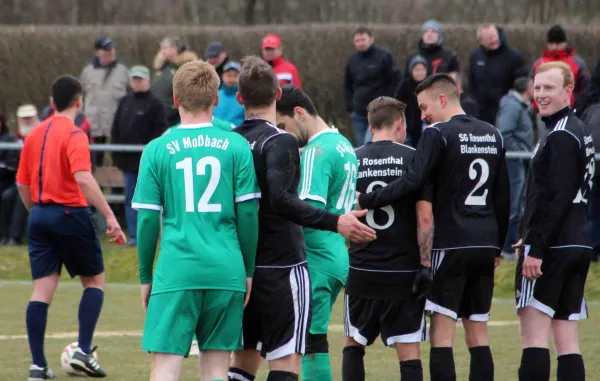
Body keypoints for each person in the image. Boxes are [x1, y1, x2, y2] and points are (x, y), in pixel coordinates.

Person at [227, 56, 376, 381]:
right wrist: (337, 221)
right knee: (294, 354)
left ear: (239, 97)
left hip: (244, 264)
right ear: (277, 93)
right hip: (289, 264)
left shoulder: (229, 141)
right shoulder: (337, 145)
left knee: (244, 356)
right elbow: (288, 202)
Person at [357, 74, 510, 381]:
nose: (422, 115)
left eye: (425, 107)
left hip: (450, 244)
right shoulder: (493, 133)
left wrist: (369, 199)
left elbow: (412, 181)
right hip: (485, 243)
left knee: (442, 336)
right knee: (478, 334)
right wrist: (497, 245)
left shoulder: (437, 134)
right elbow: (503, 196)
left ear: (442, 100)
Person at [133, 60, 260, 381]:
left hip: (177, 270)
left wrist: (146, 275)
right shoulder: (237, 145)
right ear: (216, 99)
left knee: (165, 366)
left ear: (175, 100)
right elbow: (248, 214)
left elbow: (147, 221)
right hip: (226, 268)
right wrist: (247, 271)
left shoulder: (156, 149)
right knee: (217, 368)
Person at [16, 75, 126, 380]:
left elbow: (22, 183)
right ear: (79, 101)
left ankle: (38, 366)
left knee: (41, 291)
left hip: (39, 216)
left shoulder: (34, 134)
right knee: (94, 282)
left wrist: (37, 213)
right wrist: (110, 216)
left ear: (52, 102)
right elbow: (83, 177)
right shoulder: (75, 134)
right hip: (70, 214)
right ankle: (83, 351)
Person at [513, 61, 594, 381]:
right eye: (538, 87)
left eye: (550, 88)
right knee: (567, 341)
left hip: (554, 246)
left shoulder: (560, 134)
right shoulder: (577, 129)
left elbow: (555, 198)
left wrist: (535, 246)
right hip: (577, 241)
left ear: (569, 91)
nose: (541, 94)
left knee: (534, 337)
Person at [342, 97, 433, 381]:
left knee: (353, 346)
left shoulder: (351, 159)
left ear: (369, 126)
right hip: (403, 271)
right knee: (409, 354)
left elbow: (342, 214)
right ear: (399, 123)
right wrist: (426, 266)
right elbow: (425, 218)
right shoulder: (414, 159)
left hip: (362, 268)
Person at [274, 85, 359, 381]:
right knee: (314, 339)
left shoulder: (315, 152)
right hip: (336, 254)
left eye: (282, 125)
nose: (282, 133)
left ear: (299, 113)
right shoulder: (344, 145)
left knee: (308, 343)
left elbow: (308, 212)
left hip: (317, 257)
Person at [110, 65, 167, 247]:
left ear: (148, 81)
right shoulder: (124, 102)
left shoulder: (156, 104)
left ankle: (150, 235)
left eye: (140, 79)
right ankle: (134, 235)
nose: (137, 82)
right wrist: (117, 156)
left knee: (150, 200)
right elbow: (116, 130)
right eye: (134, 79)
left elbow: (160, 132)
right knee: (130, 199)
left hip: (148, 163)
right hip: (128, 163)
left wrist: (152, 156)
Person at [495, 77, 534, 260]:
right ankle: (507, 249)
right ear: (527, 89)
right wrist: (523, 152)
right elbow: (504, 134)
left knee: (518, 206)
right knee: (513, 205)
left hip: (519, 161)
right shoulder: (512, 107)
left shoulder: (521, 106)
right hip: (513, 162)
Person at [344, 26, 402, 147]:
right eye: (357, 41)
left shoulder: (384, 56)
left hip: (378, 111)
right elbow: (347, 84)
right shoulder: (352, 60)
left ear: (371, 39)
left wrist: (388, 102)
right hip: (358, 113)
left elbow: (396, 80)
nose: (360, 43)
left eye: (363, 40)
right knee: (361, 148)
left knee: (370, 144)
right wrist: (350, 106)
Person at [80, 37, 129, 165]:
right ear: (98, 52)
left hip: (116, 123)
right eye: (106, 49)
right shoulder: (87, 71)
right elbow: (82, 93)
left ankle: (118, 185)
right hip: (94, 123)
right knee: (94, 160)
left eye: (112, 49)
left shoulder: (123, 70)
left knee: (119, 159)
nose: (110, 52)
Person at [468, 24, 527, 124]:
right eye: (489, 38)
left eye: (494, 36)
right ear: (481, 41)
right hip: (481, 113)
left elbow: (521, 84)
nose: (494, 40)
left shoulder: (513, 56)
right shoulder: (475, 56)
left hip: (505, 112)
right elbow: (471, 81)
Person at [0, 105, 39, 246]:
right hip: (21, 179)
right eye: (23, 118)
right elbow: (13, 159)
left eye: (29, 118)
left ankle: (15, 237)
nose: (26, 121)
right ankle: (6, 235)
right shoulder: (17, 137)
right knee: (6, 196)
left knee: (20, 198)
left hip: (38, 180)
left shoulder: (41, 133)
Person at [575, 60, 600, 262]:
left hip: (590, 165)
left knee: (591, 211)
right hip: (592, 164)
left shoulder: (587, 103)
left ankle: (590, 252)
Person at [532, 25, 589, 110]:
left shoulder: (577, 63)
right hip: (542, 111)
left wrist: (579, 108)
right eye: (551, 43)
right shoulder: (538, 64)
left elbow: (586, 88)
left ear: (565, 43)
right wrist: (536, 108)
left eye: (558, 43)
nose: (554, 47)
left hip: (571, 110)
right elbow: (531, 87)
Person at [151, 36, 199, 126]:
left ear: (174, 49)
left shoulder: (185, 68)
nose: (161, 51)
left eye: (164, 48)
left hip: (175, 119)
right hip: (157, 119)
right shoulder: (161, 70)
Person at [395, 55, 428, 147]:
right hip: (408, 127)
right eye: (417, 70)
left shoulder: (430, 85)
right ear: (411, 71)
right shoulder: (405, 85)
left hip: (425, 126)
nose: (419, 73)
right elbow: (397, 103)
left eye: (422, 69)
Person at [214, 61, 245, 126]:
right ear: (222, 76)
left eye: (235, 76)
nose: (232, 79)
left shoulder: (245, 99)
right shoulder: (214, 96)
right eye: (229, 75)